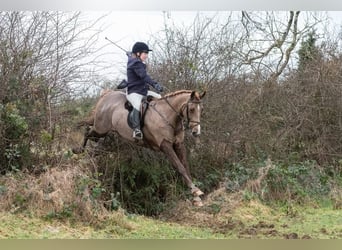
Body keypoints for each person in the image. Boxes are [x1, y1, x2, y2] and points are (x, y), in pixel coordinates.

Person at [126, 42, 164, 140]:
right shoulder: (135, 63)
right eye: (145, 53)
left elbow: (131, 57)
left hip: (142, 91)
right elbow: (144, 76)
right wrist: (155, 84)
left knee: (160, 98)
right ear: (138, 54)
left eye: (147, 53)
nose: (147, 56)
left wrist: (130, 55)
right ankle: (136, 130)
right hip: (133, 92)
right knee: (137, 104)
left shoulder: (134, 60)